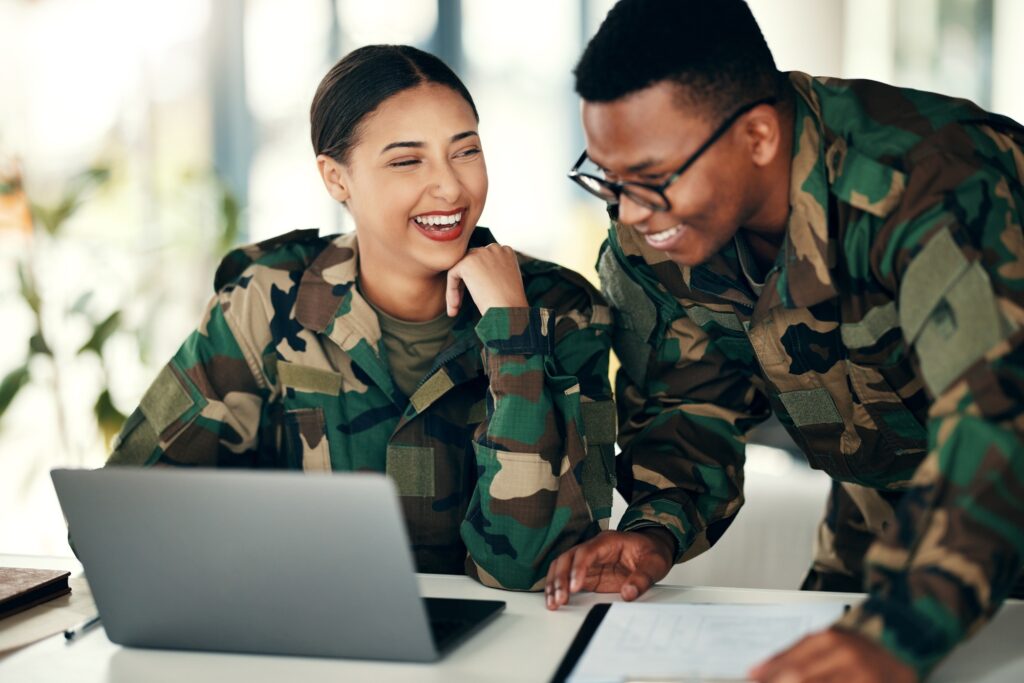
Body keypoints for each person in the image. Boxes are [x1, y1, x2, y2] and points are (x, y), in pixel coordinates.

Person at [543, 0, 1024, 681]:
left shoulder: (931, 183)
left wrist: (897, 631)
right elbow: (686, 403)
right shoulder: (652, 238)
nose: (629, 212)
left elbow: (997, 417)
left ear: (759, 137)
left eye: (650, 180)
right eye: (609, 180)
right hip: (884, 529)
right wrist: (655, 527)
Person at [104, 44, 616, 592]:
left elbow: (527, 570)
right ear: (336, 178)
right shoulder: (267, 301)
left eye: (464, 152)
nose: (450, 186)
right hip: (303, 642)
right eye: (406, 160)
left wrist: (513, 337)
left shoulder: (562, 311)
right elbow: (122, 515)